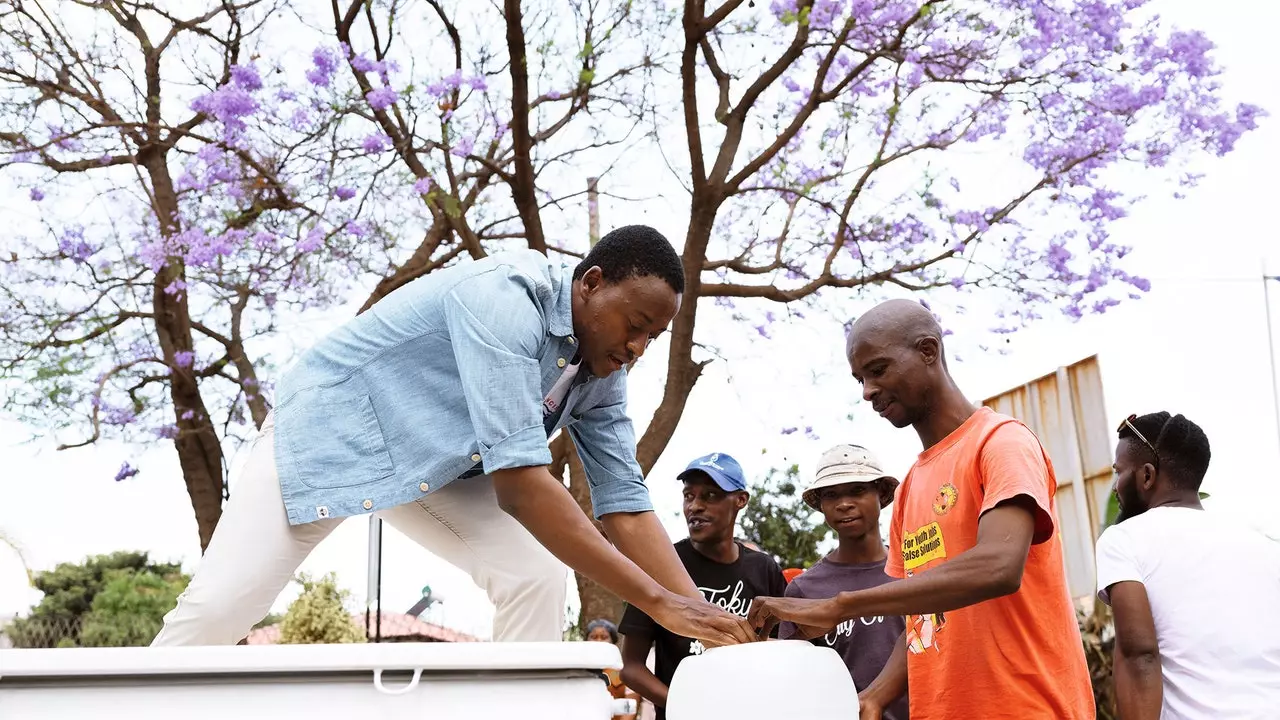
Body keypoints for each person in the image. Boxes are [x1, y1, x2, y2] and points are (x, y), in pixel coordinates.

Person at [150, 225, 756, 648]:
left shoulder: (602, 372)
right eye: (636, 325)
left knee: (534, 575)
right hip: (334, 431)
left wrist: (702, 620)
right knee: (223, 606)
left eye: (652, 338)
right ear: (591, 283)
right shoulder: (504, 298)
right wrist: (657, 603)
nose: (637, 348)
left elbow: (624, 503)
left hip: (439, 464)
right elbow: (521, 489)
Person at [749, 299, 1094, 720]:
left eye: (878, 370)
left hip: (1023, 707)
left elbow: (998, 566)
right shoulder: (912, 485)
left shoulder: (1001, 443)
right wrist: (874, 696)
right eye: (860, 378)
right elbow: (921, 622)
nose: (867, 391)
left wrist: (840, 605)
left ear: (928, 352)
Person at [1096, 411, 1280, 720]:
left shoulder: (1123, 540)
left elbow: (1138, 656)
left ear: (1147, 476)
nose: (1116, 486)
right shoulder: (1265, 548)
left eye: (1120, 472)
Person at [619, 452, 787, 720]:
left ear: (741, 500)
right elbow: (631, 667)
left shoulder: (764, 569)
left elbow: (785, 651)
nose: (695, 506)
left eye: (710, 496)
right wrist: (684, 705)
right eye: (689, 496)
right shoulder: (661, 566)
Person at [780, 444, 908, 720]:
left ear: (882, 494)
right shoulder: (804, 590)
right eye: (831, 495)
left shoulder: (913, 574)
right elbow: (795, 680)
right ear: (821, 505)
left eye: (858, 490)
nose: (844, 503)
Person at [586, 618, 641, 720]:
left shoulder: (624, 670)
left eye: (604, 637)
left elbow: (630, 707)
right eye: (593, 637)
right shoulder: (578, 670)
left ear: (613, 641)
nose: (598, 641)